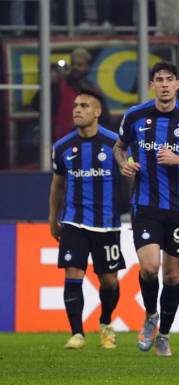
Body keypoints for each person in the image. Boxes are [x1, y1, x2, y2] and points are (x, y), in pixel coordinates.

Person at [113, 61, 179, 357]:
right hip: (145, 205)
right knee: (149, 268)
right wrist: (124, 164)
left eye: (169, 79)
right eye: (158, 79)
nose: (164, 84)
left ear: (178, 84)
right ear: (152, 85)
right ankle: (150, 316)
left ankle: (165, 334)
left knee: (172, 276)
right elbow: (119, 147)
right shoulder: (135, 115)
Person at [49, 88, 126, 350]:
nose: (77, 110)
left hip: (107, 224)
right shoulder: (62, 147)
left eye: (84, 106)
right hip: (74, 222)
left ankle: (105, 322)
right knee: (73, 273)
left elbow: (132, 176)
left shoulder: (116, 144)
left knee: (109, 281)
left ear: (97, 112)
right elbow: (57, 185)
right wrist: (53, 218)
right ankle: (77, 333)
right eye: (75, 106)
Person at [33, 48, 111, 142]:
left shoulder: (93, 89)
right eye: (73, 64)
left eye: (80, 65)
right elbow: (37, 105)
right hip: (61, 140)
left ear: (87, 67)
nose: (75, 67)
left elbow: (104, 118)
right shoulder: (59, 85)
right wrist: (48, 85)